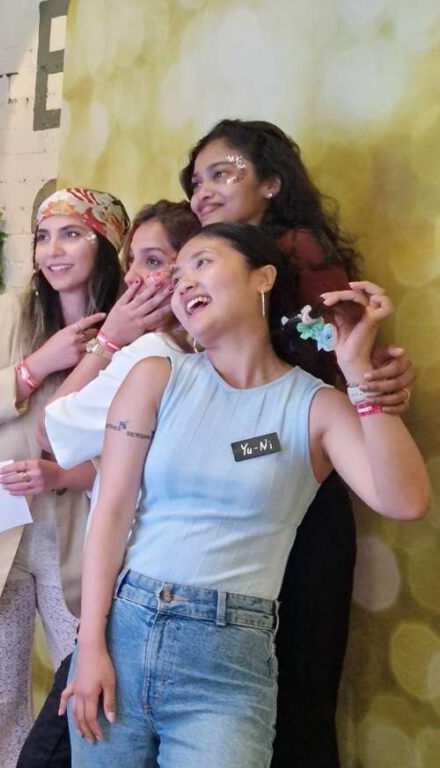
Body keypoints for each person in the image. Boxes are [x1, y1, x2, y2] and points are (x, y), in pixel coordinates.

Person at [66, 222, 429, 767]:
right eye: (178, 272)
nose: (183, 281)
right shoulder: (154, 376)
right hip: (123, 632)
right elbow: (111, 513)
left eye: (203, 262)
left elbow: (404, 501)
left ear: (263, 277)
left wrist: (357, 373)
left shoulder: (316, 406)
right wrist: (90, 644)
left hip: (228, 664)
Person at [182, 119, 414, 767]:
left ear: (273, 183)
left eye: (223, 172)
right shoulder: (208, 267)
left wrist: (372, 376)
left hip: (292, 490)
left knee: (290, 693)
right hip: (253, 494)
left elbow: (331, 361)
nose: (204, 189)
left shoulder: (295, 254)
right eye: (196, 180)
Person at [0, 188, 129, 768]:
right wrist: (36, 365)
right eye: (43, 236)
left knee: (94, 709)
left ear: (108, 244)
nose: (52, 251)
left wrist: (64, 475)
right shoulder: (6, 315)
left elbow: (140, 451)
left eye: (72, 234)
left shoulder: (131, 334)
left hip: (83, 541)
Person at [16, 200, 202, 768]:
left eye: (153, 260)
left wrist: (107, 343)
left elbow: (54, 427)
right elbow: (123, 459)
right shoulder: (203, 353)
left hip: (133, 584)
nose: (136, 278)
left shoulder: (154, 350)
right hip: (163, 587)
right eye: (133, 263)